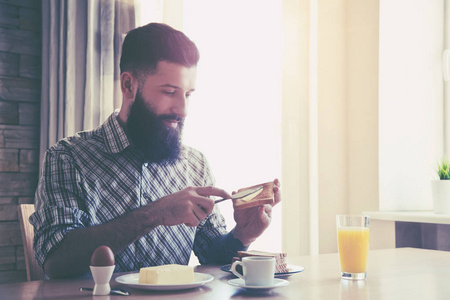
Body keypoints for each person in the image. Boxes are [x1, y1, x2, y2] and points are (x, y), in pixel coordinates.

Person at [30, 22, 281, 279]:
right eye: (170, 92)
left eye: (188, 94)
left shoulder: (195, 164)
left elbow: (212, 254)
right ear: (129, 86)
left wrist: (243, 234)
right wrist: (156, 213)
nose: (182, 110)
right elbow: (56, 260)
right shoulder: (68, 157)